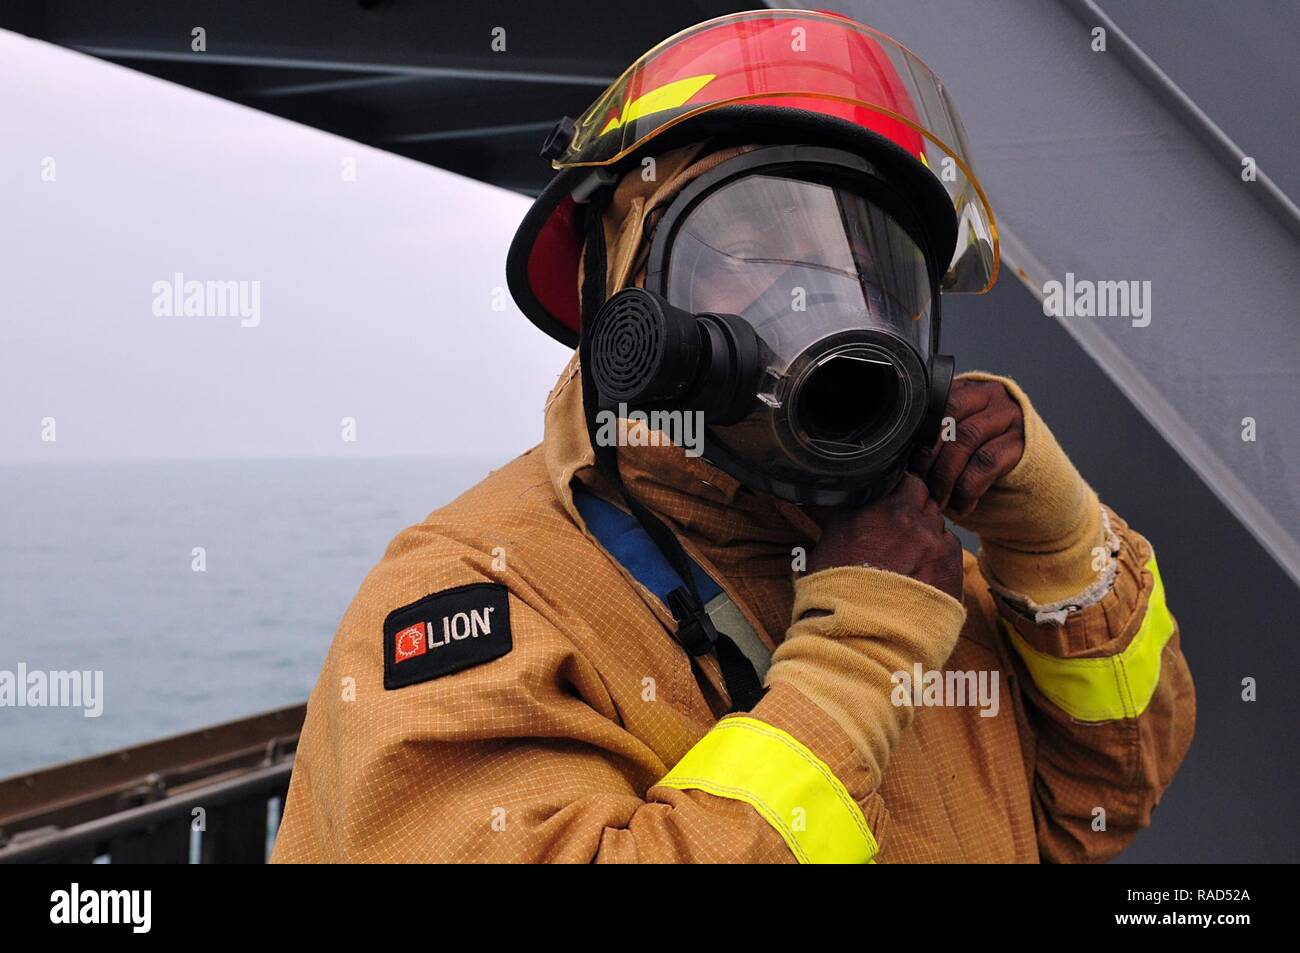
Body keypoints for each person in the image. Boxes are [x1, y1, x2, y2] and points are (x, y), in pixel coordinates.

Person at [271, 10, 1194, 864]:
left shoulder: (902, 554)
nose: (824, 306)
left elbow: (1100, 801)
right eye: (752, 253)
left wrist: (1056, 538)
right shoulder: (477, 591)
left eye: (864, 262)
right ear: (628, 297)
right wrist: (860, 650)